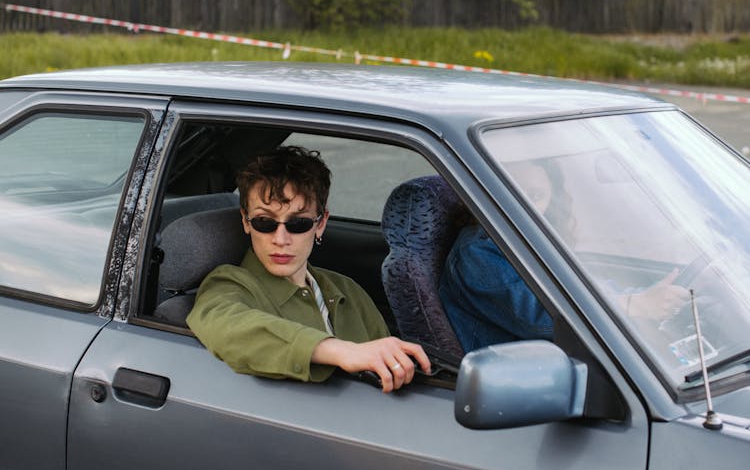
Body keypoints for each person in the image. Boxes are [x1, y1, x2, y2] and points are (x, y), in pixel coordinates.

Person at [187, 145, 431, 393]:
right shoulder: (229, 285)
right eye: (265, 222)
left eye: (298, 223)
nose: (280, 239)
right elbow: (227, 326)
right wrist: (343, 351)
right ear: (245, 222)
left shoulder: (348, 290)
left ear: (321, 224)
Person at [439, 159, 690, 353]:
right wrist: (632, 306)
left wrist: (643, 295)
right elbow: (542, 319)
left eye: (536, 196)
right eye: (511, 192)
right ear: (486, 191)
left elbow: (582, 288)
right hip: (516, 382)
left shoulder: (533, 238)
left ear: (551, 197)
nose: (523, 204)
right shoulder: (477, 251)